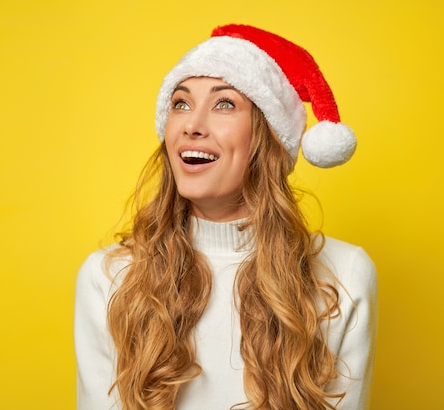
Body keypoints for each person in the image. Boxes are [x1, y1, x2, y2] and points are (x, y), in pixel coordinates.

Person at [74, 24, 377, 410]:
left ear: (267, 139)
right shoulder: (107, 278)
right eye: (180, 103)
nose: (192, 126)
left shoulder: (346, 273)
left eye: (224, 104)